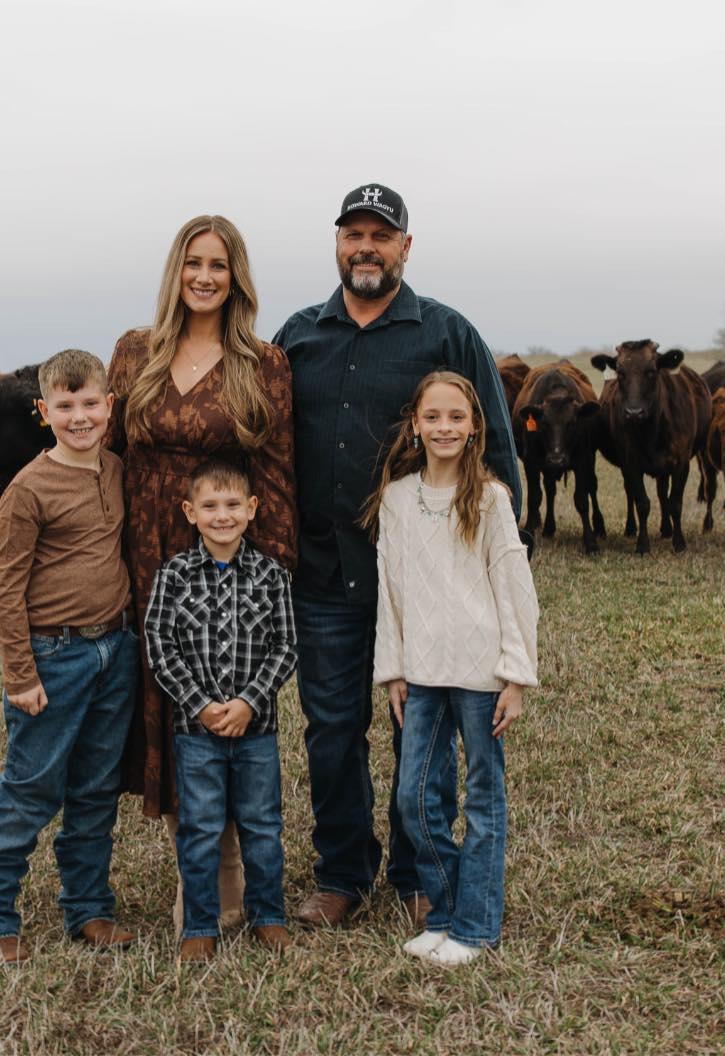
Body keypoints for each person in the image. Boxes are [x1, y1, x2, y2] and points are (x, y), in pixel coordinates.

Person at [272, 183, 522, 929]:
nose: (366, 248)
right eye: (354, 234)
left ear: (405, 247)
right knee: (331, 730)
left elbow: (496, 451)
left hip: (426, 584)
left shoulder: (445, 334)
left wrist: (501, 569)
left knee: (424, 730)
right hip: (324, 572)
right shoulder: (297, 337)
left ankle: (420, 872)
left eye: (381, 235)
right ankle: (343, 873)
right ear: (336, 244)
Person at [107, 215, 297, 933]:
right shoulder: (135, 351)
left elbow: (276, 473)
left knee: (224, 698)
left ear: (236, 276)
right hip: (144, 546)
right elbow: (106, 451)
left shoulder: (263, 363)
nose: (205, 277)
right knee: (164, 705)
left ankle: (228, 878)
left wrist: (269, 574)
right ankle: (195, 870)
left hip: (224, 551)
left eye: (218, 265)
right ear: (176, 271)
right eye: (193, 263)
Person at [0, 349, 138, 965]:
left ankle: (87, 907)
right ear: (44, 411)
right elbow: (5, 585)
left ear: (109, 406)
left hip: (115, 648)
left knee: (96, 788)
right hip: (54, 654)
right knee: (31, 787)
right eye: (65, 406)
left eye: (90, 403)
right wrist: (20, 674)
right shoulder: (28, 489)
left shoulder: (115, 470)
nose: (80, 416)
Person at [362, 371, 538, 966]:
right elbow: (390, 590)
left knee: (483, 800)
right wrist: (393, 669)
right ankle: (443, 912)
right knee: (415, 799)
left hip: (481, 674)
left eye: (456, 417)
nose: (444, 427)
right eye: (433, 417)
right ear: (415, 424)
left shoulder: (489, 499)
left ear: (474, 426)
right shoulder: (397, 498)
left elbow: (514, 587)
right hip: (422, 673)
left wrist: (515, 675)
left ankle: (475, 927)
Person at [144, 459, 298, 962]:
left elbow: (286, 647)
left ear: (252, 509)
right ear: (190, 512)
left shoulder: (272, 576)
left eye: (233, 505)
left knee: (262, 827)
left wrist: (250, 702)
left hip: (257, 732)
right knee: (200, 830)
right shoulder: (173, 575)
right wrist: (201, 705)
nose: (222, 516)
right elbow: (159, 645)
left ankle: (268, 915)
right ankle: (200, 924)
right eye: (210, 506)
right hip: (196, 734)